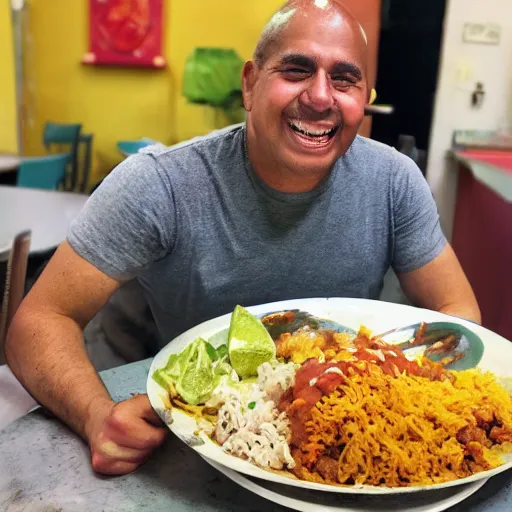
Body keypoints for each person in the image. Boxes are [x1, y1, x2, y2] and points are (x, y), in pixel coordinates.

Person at [5, 0, 480, 476]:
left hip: (345, 453)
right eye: (296, 70)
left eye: (344, 79)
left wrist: (400, 400)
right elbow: (38, 321)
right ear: (250, 83)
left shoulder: (394, 182)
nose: (320, 96)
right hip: (199, 447)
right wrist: (95, 415)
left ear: (365, 96)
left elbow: (457, 311)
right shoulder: (159, 185)